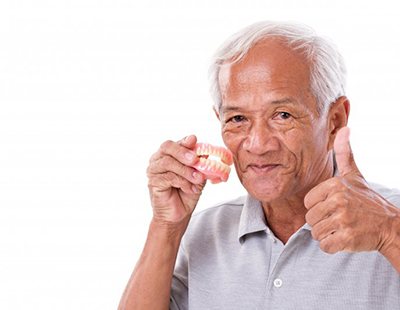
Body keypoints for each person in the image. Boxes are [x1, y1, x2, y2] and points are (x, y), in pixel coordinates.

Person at [118, 21, 400, 309]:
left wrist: (390, 234)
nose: (258, 144)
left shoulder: (391, 219)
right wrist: (166, 227)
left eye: (282, 115)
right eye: (238, 119)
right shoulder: (205, 231)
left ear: (335, 120)